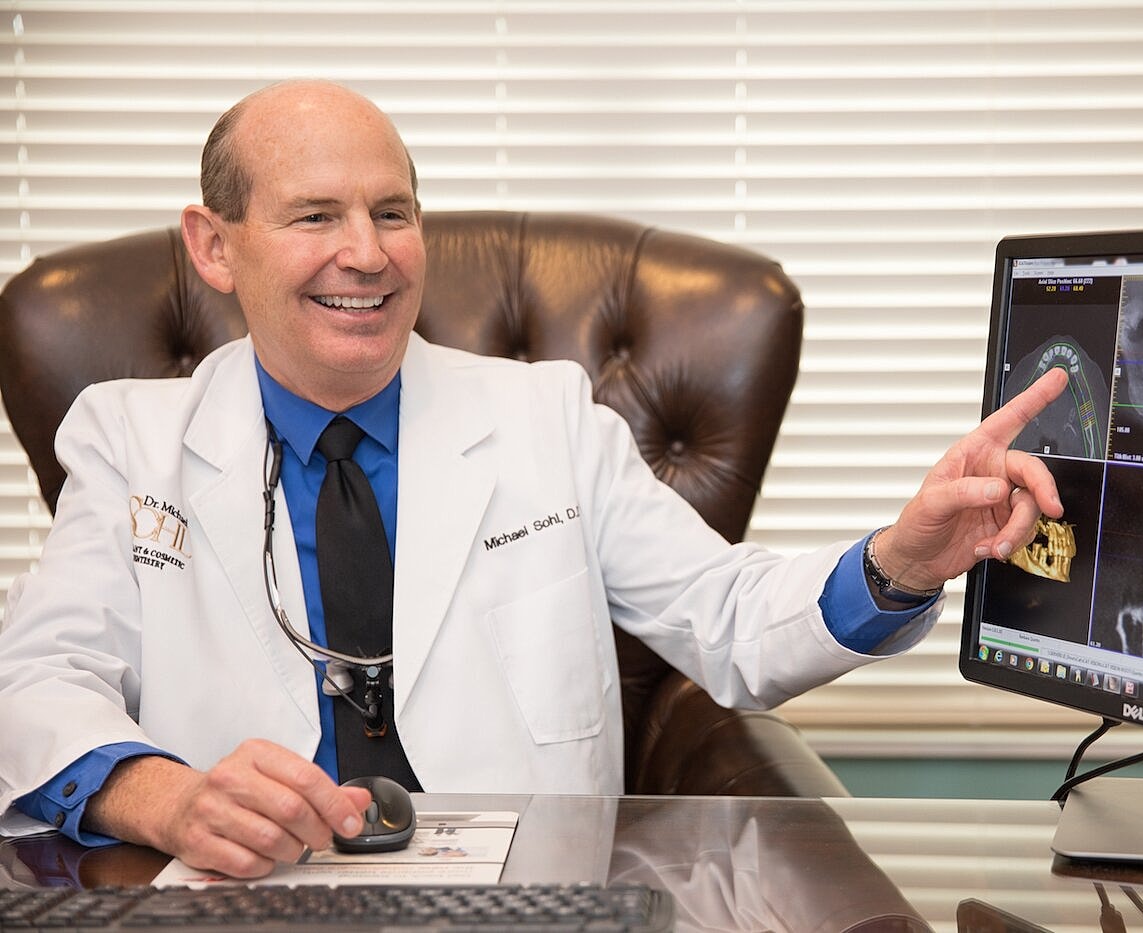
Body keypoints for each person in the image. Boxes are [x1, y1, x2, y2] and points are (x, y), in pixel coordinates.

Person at [0, 80, 1066, 879]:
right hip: (243, 895)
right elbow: (38, 683)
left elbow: (729, 622)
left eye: (394, 211)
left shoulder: (542, 417)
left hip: (522, 898)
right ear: (215, 247)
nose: (367, 254)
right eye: (315, 216)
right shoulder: (130, 437)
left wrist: (900, 562)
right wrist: (168, 799)